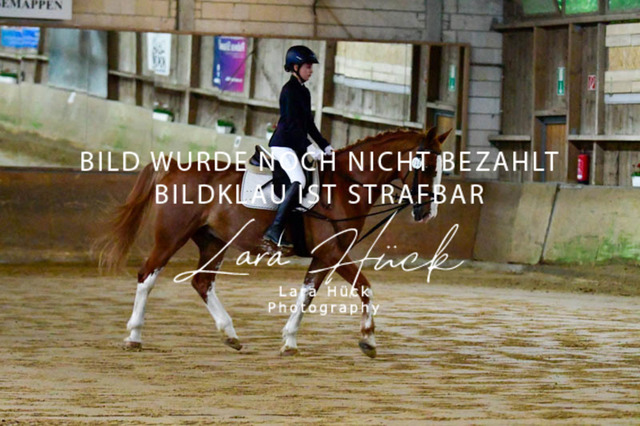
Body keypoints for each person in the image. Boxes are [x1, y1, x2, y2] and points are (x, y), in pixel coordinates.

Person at [262, 45, 334, 251]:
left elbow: (308, 124)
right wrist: (309, 147)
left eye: (311, 67)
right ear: (295, 67)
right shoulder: (289, 91)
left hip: (295, 145)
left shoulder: (303, 91)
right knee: (299, 180)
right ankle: (275, 229)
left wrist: (325, 146)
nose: (311, 70)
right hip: (283, 145)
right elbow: (292, 125)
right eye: (307, 67)